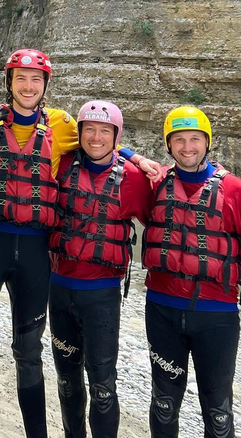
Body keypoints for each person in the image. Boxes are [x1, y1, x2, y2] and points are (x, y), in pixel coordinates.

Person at [0, 49, 160, 438]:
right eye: (21, 79)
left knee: (28, 354)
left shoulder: (61, 124)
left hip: (35, 253)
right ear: (9, 82)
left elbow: (100, 142)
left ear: (45, 86)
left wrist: (132, 155)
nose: (28, 86)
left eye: (36, 80)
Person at [142, 106, 241, 438]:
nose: (187, 147)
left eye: (195, 139)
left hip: (217, 317)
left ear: (207, 143)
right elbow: (104, 153)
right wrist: (131, 154)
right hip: (162, 311)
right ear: (169, 145)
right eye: (179, 140)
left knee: (218, 412)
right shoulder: (155, 183)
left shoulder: (235, 190)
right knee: (164, 403)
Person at [47, 100, 153, 438]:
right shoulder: (60, 164)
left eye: (105, 131)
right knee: (66, 380)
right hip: (59, 288)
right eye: (89, 129)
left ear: (115, 136)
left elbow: (168, 215)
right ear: (78, 134)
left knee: (103, 385)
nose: (95, 137)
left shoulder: (134, 178)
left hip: (102, 296)